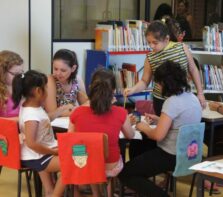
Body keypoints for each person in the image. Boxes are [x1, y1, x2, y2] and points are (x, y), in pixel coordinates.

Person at [119, 60, 202, 197]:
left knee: (125, 173)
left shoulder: (172, 102)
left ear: (166, 83)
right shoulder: (192, 98)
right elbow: (181, 123)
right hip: (188, 153)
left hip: (171, 155)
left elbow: (157, 136)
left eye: (158, 82)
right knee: (138, 145)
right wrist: (160, 119)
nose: (157, 85)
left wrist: (143, 127)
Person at [68, 69, 135, 197]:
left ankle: (96, 193)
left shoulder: (77, 112)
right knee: (105, 160)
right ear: (114, 91)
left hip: (84, 164)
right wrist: (126, 124)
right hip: (110, 166)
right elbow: (130, 136)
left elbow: (71, 139)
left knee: (91, 156)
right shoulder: (121, 112)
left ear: (90, 88)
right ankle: (108, 193)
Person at [124, 20, 205, 116]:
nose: (151, 46)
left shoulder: (181, 48)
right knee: (163, 128)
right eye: (149, 42)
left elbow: (193, 69)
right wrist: (133, 89)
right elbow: (145, 81)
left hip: (182, 99)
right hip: (161, 100)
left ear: (166, 39)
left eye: (155, 42)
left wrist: (200, 93)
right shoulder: (150, 57)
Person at [12, 70, 65, 197]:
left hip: (40, 152)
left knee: (49, 189)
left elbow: (43, 122)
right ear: (38, 91)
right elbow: (31, 143)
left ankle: (51, 193)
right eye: (46, 87)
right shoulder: (31, 114)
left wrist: (60, 110)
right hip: (37, 156)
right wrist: (53, 152)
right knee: (71, 164)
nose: (48, 89)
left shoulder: (33, 106)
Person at [45, 49, 88, 119]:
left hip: (70, 122)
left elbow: (86, 107)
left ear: (73, 68)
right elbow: (52, 113)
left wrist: (73, 110)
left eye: (63, 70)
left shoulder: (77, 80)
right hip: (55, 125)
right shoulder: (50, 80)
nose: (58, 73)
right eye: (55, 69)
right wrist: (75, 110)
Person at [0, 50, 24, 120]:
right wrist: (21, 119)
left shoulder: (21, 87)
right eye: (15, 74)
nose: (19, 77)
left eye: (21, 73)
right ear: (2, 72)